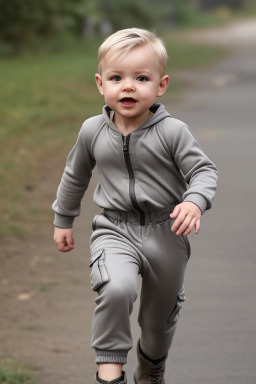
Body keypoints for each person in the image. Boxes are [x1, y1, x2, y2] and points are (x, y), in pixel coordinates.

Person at [52, 28, 218, 384]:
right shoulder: (92, 131)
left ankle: (152, 366)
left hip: (166, 232)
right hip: (114, 228)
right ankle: (109, 375)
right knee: (116, 287)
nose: (128, 86)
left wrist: (194, 201)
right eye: (117, 78)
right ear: (101, 84)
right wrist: (63, 219)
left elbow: (203, 171)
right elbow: (74, 176)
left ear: (161, 85)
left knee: (158, 323)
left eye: (141, 78)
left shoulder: (172, 131)